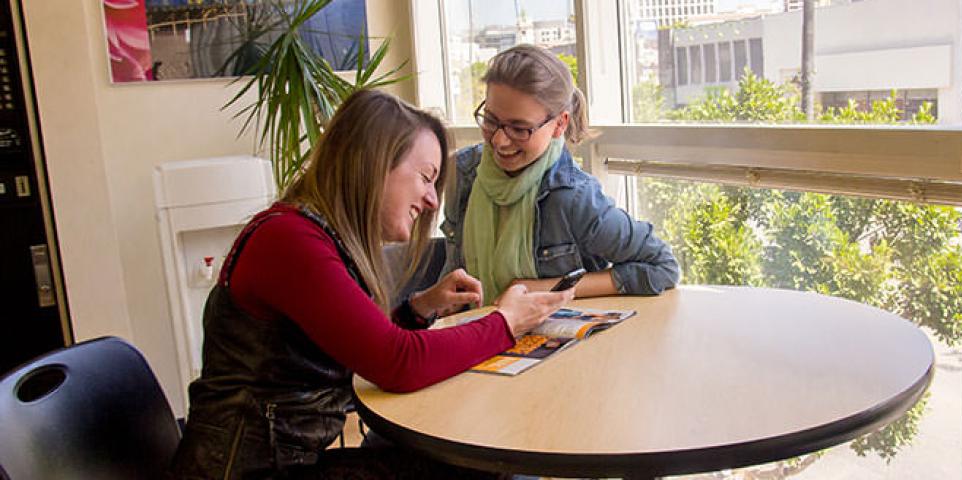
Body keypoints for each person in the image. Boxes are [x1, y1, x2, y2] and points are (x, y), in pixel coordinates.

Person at [169, 89, 573, 479]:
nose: (432, 200)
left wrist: (418, 310)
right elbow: (397, 363)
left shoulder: (303, 233)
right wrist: (506, 323)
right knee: (483, 463)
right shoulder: (290, 241)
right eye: (426, 177)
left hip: (274, 465)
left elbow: (355, 347)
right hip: (254, 473)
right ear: (375, 163)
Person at [442, 44, 680, 303]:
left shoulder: (575, 198)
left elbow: (663, 266)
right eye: (490, 120)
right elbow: (453, 271)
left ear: (560, 124)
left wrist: (543, 289)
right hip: (474, 335)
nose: (499, 141)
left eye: (519, 128)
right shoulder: (463, 173)